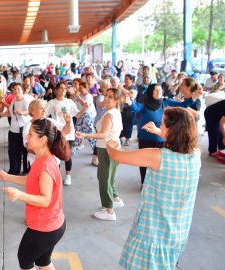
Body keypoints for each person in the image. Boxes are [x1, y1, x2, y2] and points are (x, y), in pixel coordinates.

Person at [107, 107, 201, 269]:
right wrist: (158, 131)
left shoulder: (158, 156)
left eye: (163, 124)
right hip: (177, 232)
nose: (160, 125)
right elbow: (177, 139)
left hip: (153, 232)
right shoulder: (195, 154)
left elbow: (117, 155)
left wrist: (109, 143)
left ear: (173, 130)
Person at [0, 118, 70, 270]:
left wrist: (19, 195)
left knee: (25, 262)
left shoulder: (46, 166)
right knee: (43, 262)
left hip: (45, 228)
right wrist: (7, 177)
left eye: (30, 134)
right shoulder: (41, 159)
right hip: (53, 225)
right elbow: (32, 181)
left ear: (43, 140)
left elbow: (45, 200)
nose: (26, 137)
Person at [125, 83, 200, 184]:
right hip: (146, 138)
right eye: (156, 90)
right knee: (144, 162)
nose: (158, 92)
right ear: (151, 92)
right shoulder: (145, 104)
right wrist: (130, 101)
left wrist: (194, 97)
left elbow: (182, 105)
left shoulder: (166, 102)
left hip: (162, 138)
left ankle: (156, 182)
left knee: (160, 163)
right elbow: (135, 108)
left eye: (160, 90)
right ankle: (144, 182)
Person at [76, 88, 123, 221]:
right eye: (106, 95)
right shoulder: (115, 112)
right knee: (109, 177)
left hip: (106, 149)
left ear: (117, 100)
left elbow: (103, 134)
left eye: (110, 97)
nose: (106, 99)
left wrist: (85, 135)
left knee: (104, 179)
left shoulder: (109, 114)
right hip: (113, 147)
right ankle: (116, 199)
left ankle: (109, 211)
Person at [45, 82, 79, 185]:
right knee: (56, 155)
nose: (63, 90)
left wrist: (85, 108)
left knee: (67, 154)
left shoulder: (70, 102)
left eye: (65, 89)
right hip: (57, 132)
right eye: (60, 88)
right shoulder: (52, 102)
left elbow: (77, 114)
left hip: (69, 131)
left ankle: (68, 176)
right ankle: (57, 175)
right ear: (56, 90)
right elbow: (45, 114)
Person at [1, 83, 34, 175]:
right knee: (13, 151)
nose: (16, 91)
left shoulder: (26, 100)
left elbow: (30, 112)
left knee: (25, 150)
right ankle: (14, 170)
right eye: (14, 89)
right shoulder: (13, 101)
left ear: (23, 90)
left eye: (18, 89)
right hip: (13, 129)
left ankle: (27, 170)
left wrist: (23, 112)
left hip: (24, 129)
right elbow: (10, 113)